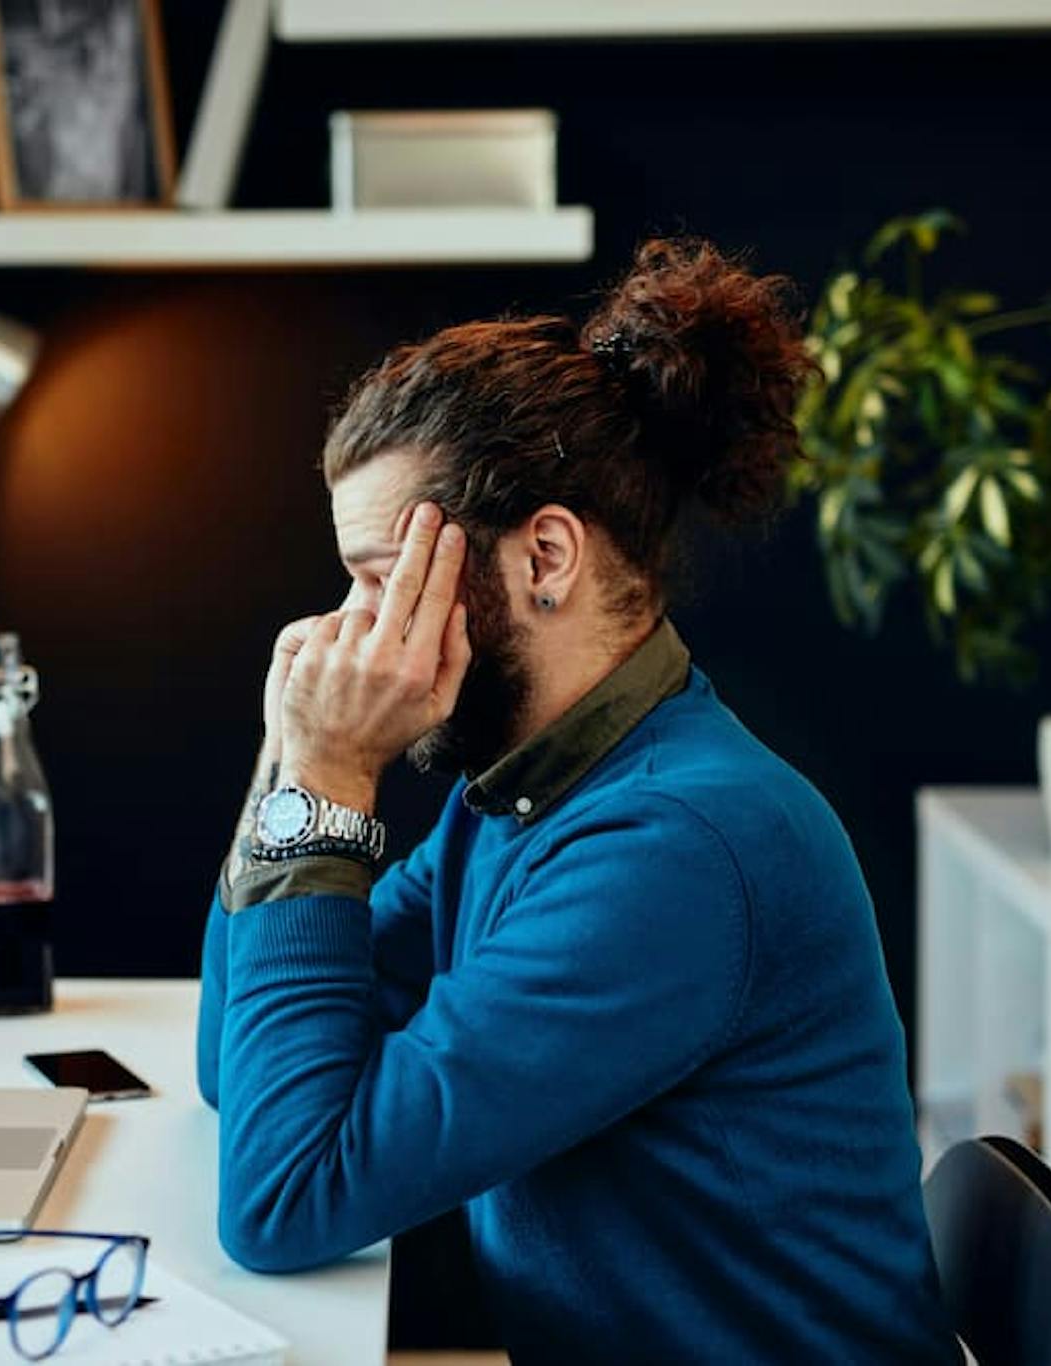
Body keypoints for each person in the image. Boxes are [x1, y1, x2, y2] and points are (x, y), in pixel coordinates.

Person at [195, 239, 957, 1363]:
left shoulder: (671, 850)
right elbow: (243, 1070)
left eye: (374, 577)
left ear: (543, 554)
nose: (347, 630)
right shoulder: (520, 794)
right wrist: (288, 756)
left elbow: (283, 1194)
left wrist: (323, 775)